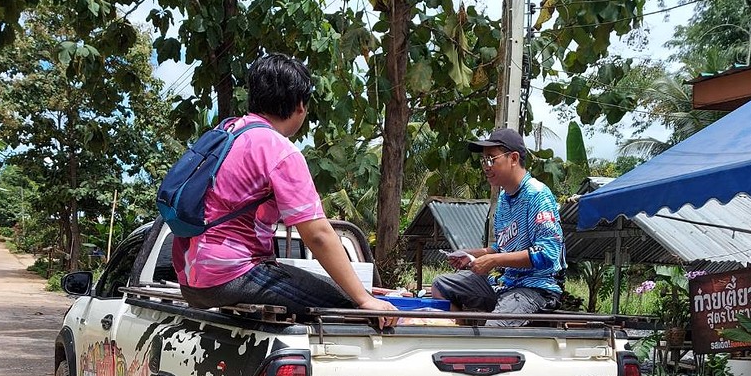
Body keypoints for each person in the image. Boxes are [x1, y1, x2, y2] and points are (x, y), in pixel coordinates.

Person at [172, 54, 395, 326]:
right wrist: (364, 300)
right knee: (348, 305)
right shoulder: (279, 150)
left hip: (190, 279)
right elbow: (319, 236)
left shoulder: (229, 130)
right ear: (300, 105)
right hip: (231, 275)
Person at [431, 127, 564, 325]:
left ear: (513, 158)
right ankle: (456, 341)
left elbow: (547, 254)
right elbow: (501, 249)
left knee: (493, 329)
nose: (486, 166)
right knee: (441, 286)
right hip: (505, 285)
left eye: (491, 159)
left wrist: (493, 260)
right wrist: (471, 254)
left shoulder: (537, 195)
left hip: (535, 289)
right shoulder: (503, 198)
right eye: (483, 160)